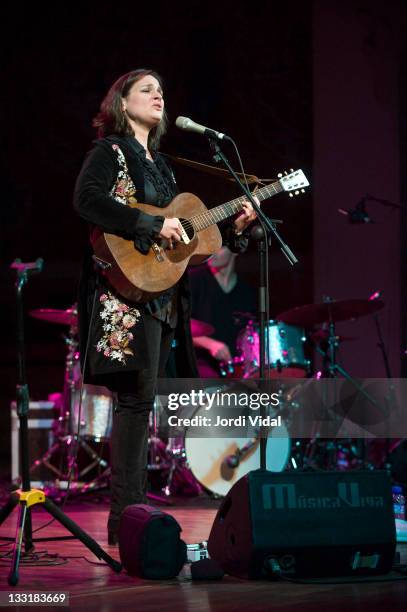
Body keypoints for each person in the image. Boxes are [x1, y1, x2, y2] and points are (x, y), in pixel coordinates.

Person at [73, 68, 257, 545]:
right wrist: (150, 226)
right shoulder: (109, 151)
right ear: (122, 102)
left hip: (162, 296)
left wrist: (235, 226)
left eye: (161, 90)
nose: (158, 96)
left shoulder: (162, 165)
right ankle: (126, 518)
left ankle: (131, 514)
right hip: (124, 294)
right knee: (133, 402)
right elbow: (87, 200)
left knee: (144, 402)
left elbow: (192, 240)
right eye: (146, 90)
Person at [189, 246, 256, 377]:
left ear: (236, 250)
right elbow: (179, 326)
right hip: (201, 363)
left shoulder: (247, 291)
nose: (211, 251)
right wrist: (210, 344)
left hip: (235, 367)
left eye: (219, 247)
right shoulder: (193, 280)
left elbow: (251, 333)